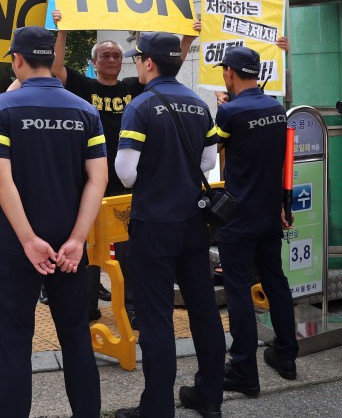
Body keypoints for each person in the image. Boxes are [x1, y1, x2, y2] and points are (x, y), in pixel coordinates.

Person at [45, 10, 202, 320]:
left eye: (117, 55)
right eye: (105, 55)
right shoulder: (83, 86)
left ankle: (132, 306)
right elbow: (56, 68)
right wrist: (62, 31)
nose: (112, 59)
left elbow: (168, 69)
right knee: (89, 246)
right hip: (90, 182)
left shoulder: (134, 86)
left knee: (130, 248)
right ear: (94, 62)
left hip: (127, 183)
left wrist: (186, 40)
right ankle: (88, 307)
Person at [0, 26, 107, 418]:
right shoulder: (84, 110)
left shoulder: (3, 107)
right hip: (69, 246)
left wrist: (27, 239)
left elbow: (0, 178)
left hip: (16, 244)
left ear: (17, 59)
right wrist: (78, 239)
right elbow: (98, 179)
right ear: (52, 59)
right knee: (76, 337)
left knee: (15, 343)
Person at [112, 32, 224, 418]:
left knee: (156, 317)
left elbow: (126, 173)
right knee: (204, 309)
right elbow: (209, 162)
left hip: (154, 223)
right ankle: (210, 396)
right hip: (193, 221)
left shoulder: (141, 106)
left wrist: (156, 172)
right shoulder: (198, 103)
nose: (136, 64)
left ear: (149, 63)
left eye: (137, 59)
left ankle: (158, 408)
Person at [214, 46, 298, 397]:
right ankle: (287, 356)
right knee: (276, 281)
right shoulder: (275, 108)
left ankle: (244, 369)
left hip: (238, 215)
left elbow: (212, 153)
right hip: (269, 212)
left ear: (230, 73)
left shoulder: (229, 112)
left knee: (238, 290)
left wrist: (222, 112)